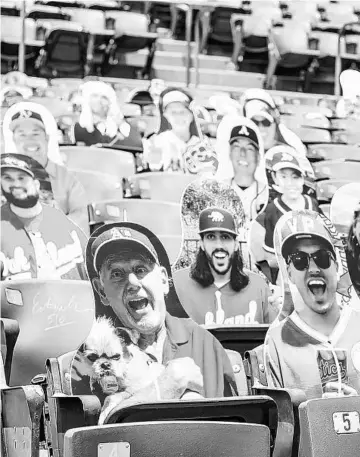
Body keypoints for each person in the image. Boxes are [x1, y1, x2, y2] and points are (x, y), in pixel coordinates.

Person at [70, 221, 238, 404]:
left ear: (164, 280)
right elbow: (96, 429)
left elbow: (235, 425)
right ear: (101, 291)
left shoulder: (204, 343)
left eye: (140, 269)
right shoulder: (87, 357)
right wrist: (164, 389)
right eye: (117, 274)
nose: (133, 282)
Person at [264, 209, 360, 400]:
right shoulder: (276, 341)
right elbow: (277, 425)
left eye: (322, 258)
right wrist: (318, 415)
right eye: (300, 261)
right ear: (289, 272)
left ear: (337, 265)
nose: (314, 269)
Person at [173, 207, 276, 325]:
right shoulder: (178, 285)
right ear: (201, 243)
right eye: (211, 237)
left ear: (236, 244)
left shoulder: (258, 287)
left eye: (225, 237)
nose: (219, 245)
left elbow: (275, 334)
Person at [3, 102, 89, 233]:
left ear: (47, 138)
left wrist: (48, 232)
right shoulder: (3, 178)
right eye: (22, 135)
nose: (29, 140)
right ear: (14, 140)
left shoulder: (66, 178)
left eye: (35, 134)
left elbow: (81, 220)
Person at [1, 154, 87, 281]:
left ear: (36, 184)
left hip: (71, 299)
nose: (16, 184)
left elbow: (90, 266)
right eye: (8, 178)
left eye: (22, 178)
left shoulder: (58, 219)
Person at [215, 116, 269, 221]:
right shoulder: (217, 191)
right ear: (230, 153)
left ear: (258, 156)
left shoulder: (267, 195)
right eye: (237, 147)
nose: (242, 153)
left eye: (249, 148)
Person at [142, 87, 203, 172]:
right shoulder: (156, 142)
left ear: (192, 115)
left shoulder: (202, 145)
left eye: (183, 112)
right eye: (173, 113)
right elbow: (153, 172)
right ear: (166, 116)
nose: (179, 117)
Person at [72, 80, 143, 151]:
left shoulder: (121, 126)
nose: (99, 100)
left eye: (104, 97)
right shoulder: (80, 127)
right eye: (95, 96)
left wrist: (121, 125)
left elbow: (136, 145)